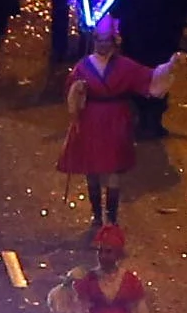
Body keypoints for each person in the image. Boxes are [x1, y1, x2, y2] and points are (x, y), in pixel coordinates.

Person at [59, 33, 151, 231]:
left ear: (113, 44)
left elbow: (148, 78)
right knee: (92, 169)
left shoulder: (126, 66)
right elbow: (69, 90)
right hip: (91, 121)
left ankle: (112, 216)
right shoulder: (83, 66)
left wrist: (169, 67)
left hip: (116, 121)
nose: (102, 45)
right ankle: (97, 216)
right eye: (99, 41)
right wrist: (78, 90)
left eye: (106, 41)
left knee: (113, 169)